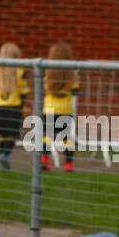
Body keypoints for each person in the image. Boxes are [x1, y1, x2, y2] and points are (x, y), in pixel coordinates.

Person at [42, 41, 80, 172]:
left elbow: (44, 88)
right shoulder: (72, 74)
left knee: (46, 136)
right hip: (65, 109)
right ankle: (68, 164)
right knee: (66, 138)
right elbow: (76, 90)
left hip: (49, 108)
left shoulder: (47, 72)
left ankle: (44, 160)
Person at [0, 43, 28, 169]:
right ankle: (5, 155)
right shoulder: (19, 71)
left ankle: (1, 156)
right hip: (14, 107)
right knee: (12, 134)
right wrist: (24, 103)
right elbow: (23, 90)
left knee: (2, 134)